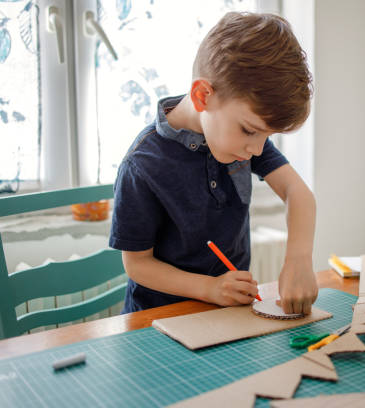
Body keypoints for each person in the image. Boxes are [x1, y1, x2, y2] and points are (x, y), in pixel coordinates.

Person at [109, 11, 317, 316]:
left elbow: (298, 193)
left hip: (225, 314)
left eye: (266, 136)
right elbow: (137, 264)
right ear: (203, 95)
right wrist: (209, 288)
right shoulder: (143, 165)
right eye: (250, 131)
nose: (256, 150)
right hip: (158, 322)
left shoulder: (238, 139)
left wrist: (298, 259)